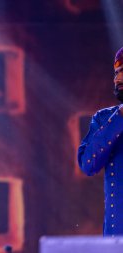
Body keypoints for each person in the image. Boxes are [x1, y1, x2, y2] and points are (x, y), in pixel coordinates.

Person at [78, 46, 123, 236]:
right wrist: (119, 117)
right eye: (115, 73)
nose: (116, 79)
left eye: (122, 72)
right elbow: (88, 164)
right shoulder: (105, 118)